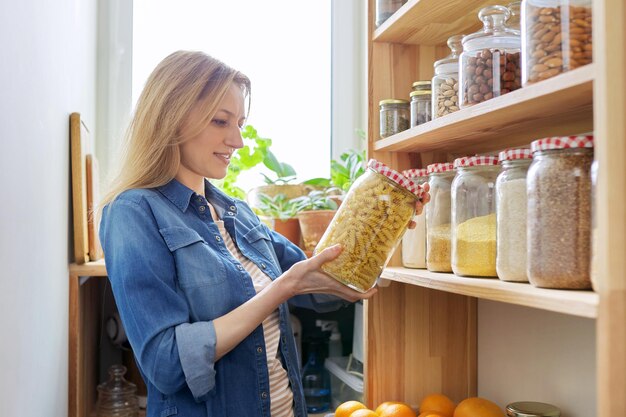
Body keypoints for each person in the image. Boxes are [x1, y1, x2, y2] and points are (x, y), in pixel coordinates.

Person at [99, 50, 429, 417]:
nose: (238, 140)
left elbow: (323, 280)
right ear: (172, 119)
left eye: (239, 122)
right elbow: (166, 364)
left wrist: (386, 219)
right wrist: (282, 289)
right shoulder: (132, 213)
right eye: (221, 122)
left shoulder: (236, 212)